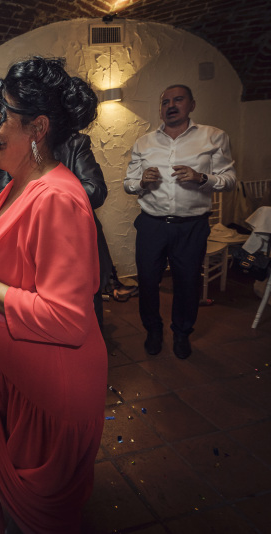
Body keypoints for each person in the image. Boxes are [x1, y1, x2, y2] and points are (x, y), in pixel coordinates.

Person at [0, 57, 107, 533]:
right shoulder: (18, 183)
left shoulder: (56, 197)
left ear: (38, 128)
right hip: (14, 368)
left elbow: (66, 318)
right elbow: (25, 276)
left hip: (49, 389)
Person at [124, 84, 236, 359]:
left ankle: (182, 333)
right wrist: (141, 182)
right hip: (151, 224)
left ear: (191, 105)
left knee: (187, 283)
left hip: (191, 227)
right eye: (165, 102)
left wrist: (201, 178)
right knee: (147, 282)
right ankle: (153, 331)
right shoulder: (143, 142)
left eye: (178, 100)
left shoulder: (214, 137)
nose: (171, 106)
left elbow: (230, 180)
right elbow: (128, 184)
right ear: (160, 109)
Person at [0, 133, 113, 328]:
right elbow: (1, 195)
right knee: (31, 315)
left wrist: (49, 198)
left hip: (75, 245)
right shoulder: (11, 145)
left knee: (85, 320)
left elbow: (96, 189)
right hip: (26, 247)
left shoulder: (75, 143)